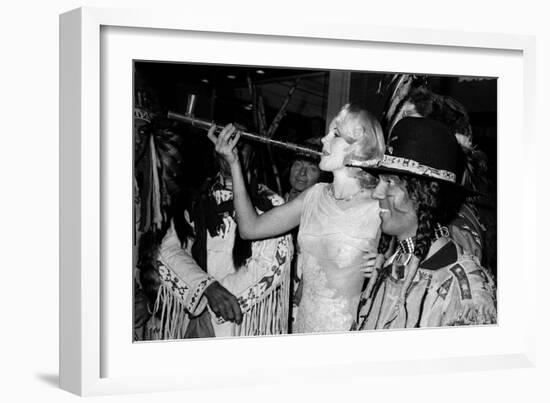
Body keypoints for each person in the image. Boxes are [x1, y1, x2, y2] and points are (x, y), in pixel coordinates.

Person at [209, 104, 385, 334]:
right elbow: (249, 229)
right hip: (302, 327)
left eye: (336, 134)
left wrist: (385, 265)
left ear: (359, 145)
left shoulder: (378, 203)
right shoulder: (313, 195)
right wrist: (234, 164)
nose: (324, 139)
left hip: (345, 336)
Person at [351, 117, 496, 330]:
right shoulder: (392, 265)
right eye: (380, 180)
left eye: (390, 182)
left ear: (426, 196)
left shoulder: (464, 293)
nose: (377, 193)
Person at [146, 144, 293, 339]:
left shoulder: (270, 203)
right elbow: (169, 248)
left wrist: (217, 299)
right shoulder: (196, 198)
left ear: (253, 153)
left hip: (241, 319)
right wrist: (206, 288)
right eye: (228, 140)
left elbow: (271, 262)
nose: (233, 148)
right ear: (216, 150)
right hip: (193, 312)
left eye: (242, 144)